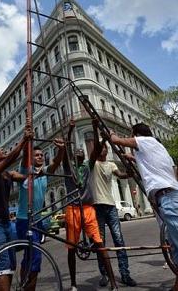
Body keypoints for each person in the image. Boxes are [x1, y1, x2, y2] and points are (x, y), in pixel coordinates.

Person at [106, 123, 178, 291]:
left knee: (176, 241)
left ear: (136, 134)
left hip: (166, 197)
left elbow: (117, 140)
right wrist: (130, 157)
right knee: (174, 242)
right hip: (169, 195)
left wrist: (112, 135)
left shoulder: (144, 141)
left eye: (133, 135)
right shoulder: (159, 148)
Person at [63, 119, 117, 291]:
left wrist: (94, 127)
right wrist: (70, 130)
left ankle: (114, 283)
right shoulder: (68, 167)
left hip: (87, 209)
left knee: (100, 244)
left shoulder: (88, 165)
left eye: (81, 151)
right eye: (76, 151)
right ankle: (72, 283)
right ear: (72, 156)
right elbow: (66, 146)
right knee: (71, 248)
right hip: (72, 209)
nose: (79, 151)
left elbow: (94, 151)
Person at [0, 124, 33, 291]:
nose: (2, 149)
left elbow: (24, 175)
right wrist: (23, 140)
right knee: (3, 267)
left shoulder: (8, 174)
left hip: (5, 223)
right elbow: (11, 158)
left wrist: (28, 148)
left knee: (11, 264)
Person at [90, 119, 137, 287]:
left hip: (110, 207)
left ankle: (125, 273)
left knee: (119, 240)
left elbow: (121, 175)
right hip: (97, 207)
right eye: (101, 147)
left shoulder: (110, 165)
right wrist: (99, 134)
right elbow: (95, 148)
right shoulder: (92, 164)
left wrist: (129, 174)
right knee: (100, 242)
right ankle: (104, 274)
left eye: (105, 147)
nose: (103, 148)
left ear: (107, 151)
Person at [14, 138, 66, 290]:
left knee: (29, 257)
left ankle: (24, 286)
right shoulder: (25, 170)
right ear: (31, 157)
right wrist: (27, 141)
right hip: (24, 220)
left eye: (42, 155)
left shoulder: (44, 173)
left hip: (37, 220)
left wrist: (61, 149)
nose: (40, 157)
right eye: (36, 155)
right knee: (35, 256)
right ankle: (28, 287)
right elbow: (24, 159)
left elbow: (56, 163)